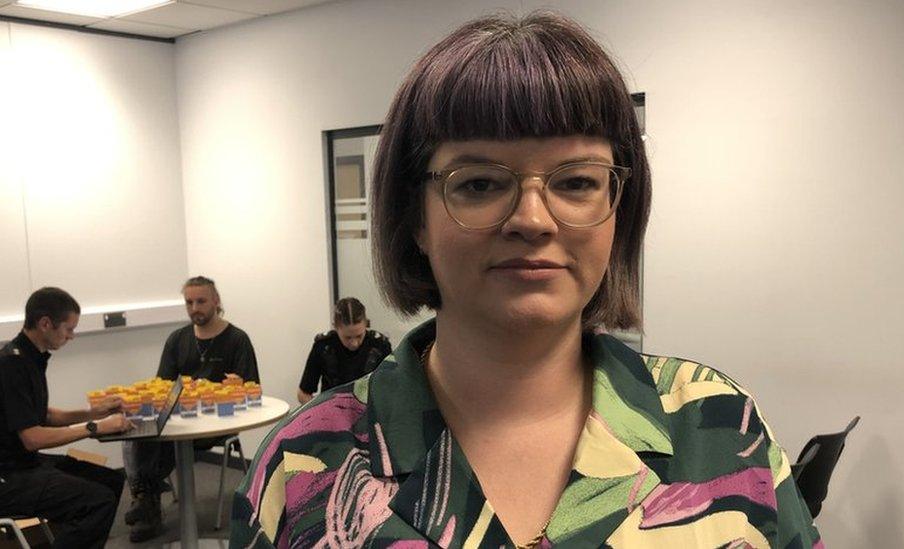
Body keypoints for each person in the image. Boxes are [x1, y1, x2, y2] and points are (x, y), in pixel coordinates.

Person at [232, 12, 823, 548]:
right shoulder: (305, 460)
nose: (534, 220)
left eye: (577, 182)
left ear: (620, 208)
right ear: (415, 216)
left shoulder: (718, 425)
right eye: (481, 183)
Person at [124, 276, 259, 542]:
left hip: (218, 423)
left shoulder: (237, 339)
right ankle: (147, 499)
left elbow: (252, 388)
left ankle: (146, 500)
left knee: (154, 440)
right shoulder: (177, 339)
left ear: (216, 301)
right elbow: (162, 385)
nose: (194, 307)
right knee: (137, 431)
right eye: (189, 302)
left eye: (201, 301)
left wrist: (238, 386)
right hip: (180, 418)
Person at [0, 287, 132, 548]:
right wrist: (95, 426)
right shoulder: (12, 364)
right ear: (45, 324)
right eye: (68, 329)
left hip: (23, 464)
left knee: (112, 480)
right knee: (98, 501)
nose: (72, 336)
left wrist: (92, 412)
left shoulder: (30, 356)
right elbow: (32, 438)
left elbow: (42, 414)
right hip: (9, 475)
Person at [297, 297, 392, 404]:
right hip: (332, 412)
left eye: (359, 336)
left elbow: (391, 390)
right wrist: (320, 412)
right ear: (335, 328)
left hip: (370, 413)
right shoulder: (323, 346)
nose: (354, 343)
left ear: (366, 324)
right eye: (347, 337)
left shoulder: (380, 345)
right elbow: (303, 394)